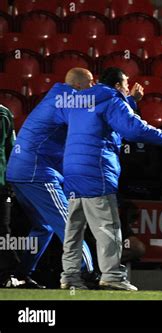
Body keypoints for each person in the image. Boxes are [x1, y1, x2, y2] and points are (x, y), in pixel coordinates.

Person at [60, 67, 162, 291]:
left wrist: (129, 101)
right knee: (108, 226)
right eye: (126, 84)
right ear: (118, 86)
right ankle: (112, 275)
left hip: (72, 169)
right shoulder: (112, 100)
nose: (128, 88)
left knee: (74, 228)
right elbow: (133, 129)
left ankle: (70, 275)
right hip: (95, 170)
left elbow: (106, 117)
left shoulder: (80, 100)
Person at [4, 68, 95, 289]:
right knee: (69, 223)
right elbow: (90, 118)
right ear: (78, 85)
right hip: (37, 173)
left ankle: (20, 274)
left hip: (20, 172)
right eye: (91, 82)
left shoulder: (57, 97)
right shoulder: (68, 98)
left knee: (43, 226)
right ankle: (87, 273)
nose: (93, 87)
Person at [0, 104, 18, 286]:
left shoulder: (4, 113)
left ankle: (6, 275)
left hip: (2, 184)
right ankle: (6, 275)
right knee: (2, 230)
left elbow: (12, 149)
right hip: (2, 184)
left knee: (3, 229)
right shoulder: (4, 113)